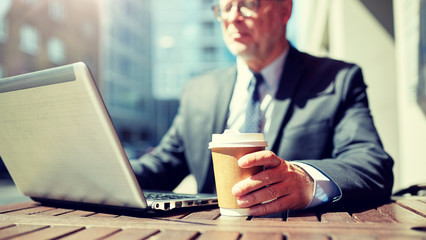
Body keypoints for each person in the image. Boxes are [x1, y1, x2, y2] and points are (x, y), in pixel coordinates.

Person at [131, 0, 394, 216]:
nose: (232, 17)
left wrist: (306, 181)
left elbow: (370, 165)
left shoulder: (337, 80)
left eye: (248, 4)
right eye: (225, 7)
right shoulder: (198, 91)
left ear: (285, 10)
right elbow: (162, 165)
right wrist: (105, 174)